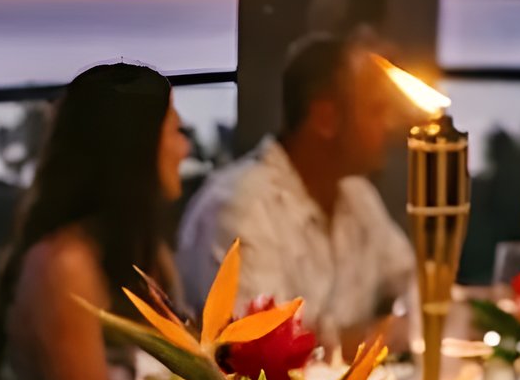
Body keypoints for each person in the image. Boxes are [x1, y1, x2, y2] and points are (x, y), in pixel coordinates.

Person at [177, 30, 414, 353]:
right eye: (375, 110)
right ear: (326, 118)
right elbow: (260, 353)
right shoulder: (243, 206)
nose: (388, 125)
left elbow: (414, 281)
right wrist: (379, 335)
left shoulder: (358, 195)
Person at [0, 62, 188, 380]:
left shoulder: (145, 253)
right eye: (176, 132)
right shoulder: (64, 266)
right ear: (137, 148)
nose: (185, 148)